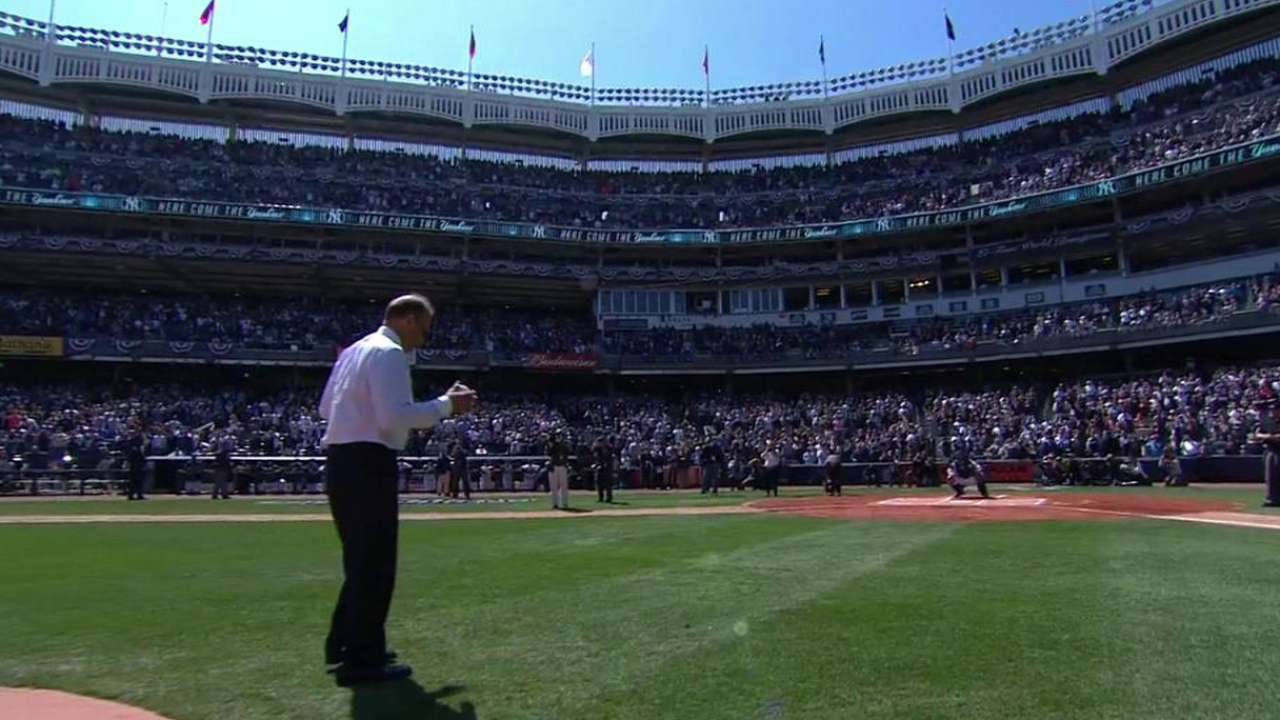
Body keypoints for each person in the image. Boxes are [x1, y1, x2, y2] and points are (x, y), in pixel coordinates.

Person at [318, 293, 477, 687]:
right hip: (369, 461)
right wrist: (446, 406)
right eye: (423, 328)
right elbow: (393, 420)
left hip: (340, 458)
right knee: (375, 565)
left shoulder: (354, 350)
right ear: (407, 319)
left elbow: (325, 408)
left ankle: (345, 644)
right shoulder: (388, 353)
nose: (423, 339)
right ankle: (363, 660)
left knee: (359, 561)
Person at [1251, 399, 1280, 507]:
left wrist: (1268, 437)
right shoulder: (1269, 422)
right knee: (1270, 476)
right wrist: (1268, 437)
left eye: (1275, 409)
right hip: (1271, 450)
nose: (1273, 412)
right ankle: (1272, 499)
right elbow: (1257, 435)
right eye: (1272, 409)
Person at [548, 433, 571, 510]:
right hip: (554, 466)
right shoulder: (552, 445)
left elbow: (568, 452)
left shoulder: (564, 445)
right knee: (554, 486)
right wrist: (552, 442)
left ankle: (565, 503)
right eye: (557, 436)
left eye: (560, 436)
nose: (559, 438)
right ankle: (555, 504)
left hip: (562, 466)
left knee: (564, 486)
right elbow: (549, 452)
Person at [124, 431, 147, 501]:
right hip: (134, 464)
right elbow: (130, 454)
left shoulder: (138, 444)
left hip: (138, 463)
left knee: (138, 480)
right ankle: (131, 495)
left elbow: (142, 453)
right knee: (133, 480)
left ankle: (138, 495)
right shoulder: (132, 443)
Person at [593, 436, 615, 503]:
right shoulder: (597, 449)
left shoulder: (609, 448)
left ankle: (609, 498)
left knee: (608, 483)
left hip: (607, 467)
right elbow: (596, 456)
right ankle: (600, 497)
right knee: (598, 482)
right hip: (599, 467)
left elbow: (610, 457)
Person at [212, 435, 233, 500]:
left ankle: (224, 494)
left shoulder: (225, 452)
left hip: (224, 468)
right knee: (219, 482)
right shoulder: (220, 452)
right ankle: (215, 495)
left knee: (223, 482)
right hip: (220, 468)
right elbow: (218, 460)